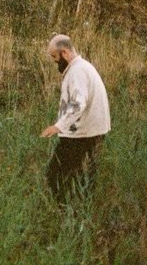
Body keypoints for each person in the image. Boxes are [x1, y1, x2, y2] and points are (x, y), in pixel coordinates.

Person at [41, 34, 110, 204]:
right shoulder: (82, 67)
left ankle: (64, 212)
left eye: (55, 57)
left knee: (55, 176)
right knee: (81, 179)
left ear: (64, 52)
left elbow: (78, 103)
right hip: (90, 131)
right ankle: (78, 212)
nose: (54, 61)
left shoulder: (77, 71)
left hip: (82, 134)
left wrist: (58, 126)